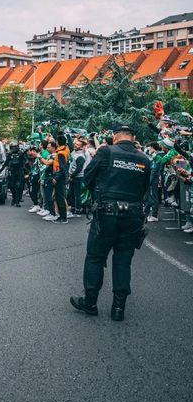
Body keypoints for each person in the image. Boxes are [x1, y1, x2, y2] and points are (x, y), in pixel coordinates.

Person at [71, 124, 150, 322]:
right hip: (133, 215)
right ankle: (118, 308)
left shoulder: (106, 152)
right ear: (133, 138)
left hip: (106, 213)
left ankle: (90, 303)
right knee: (123, 260)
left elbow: (87, 179)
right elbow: (145, 188)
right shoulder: (144, 159)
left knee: (95, 257)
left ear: (115, 137)